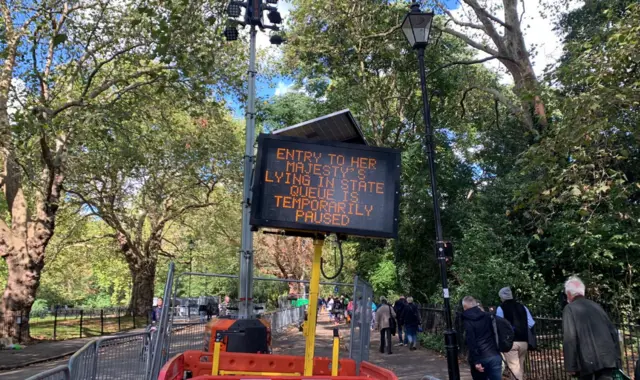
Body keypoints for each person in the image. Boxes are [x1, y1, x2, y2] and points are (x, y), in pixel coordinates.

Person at [562, 276, 621, 380]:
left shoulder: (569, 309)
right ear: (582, 292)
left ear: (569, 294)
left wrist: (571, 366)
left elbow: (570, 338)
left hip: (587, 361)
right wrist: (617, 359)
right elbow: (613, 332)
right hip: (607, 359)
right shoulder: (597, 306)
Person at [495, 287, 535, 380]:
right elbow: (531, 323)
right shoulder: (523, 307)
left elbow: (499, 325)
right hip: (524, 341)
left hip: (510, 343)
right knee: (519, 369)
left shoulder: (501, 308)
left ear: (501, 297)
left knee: (515, 371)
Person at [461, 296, 502, 380]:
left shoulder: (467, 320)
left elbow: (471, 341)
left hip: (480, 357)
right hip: (494, 354)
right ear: (476, 304)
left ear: (464, 307)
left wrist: (476, 361)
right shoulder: (488, 316)